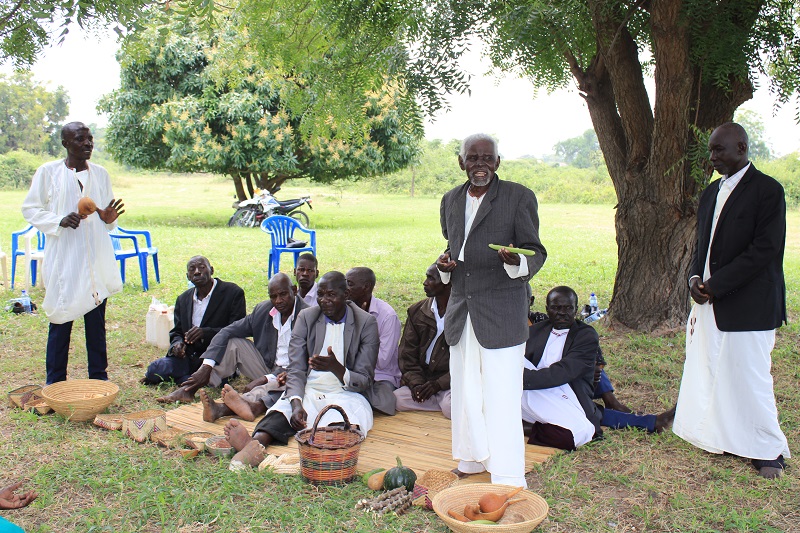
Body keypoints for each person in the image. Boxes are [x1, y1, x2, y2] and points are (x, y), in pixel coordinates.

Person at [674, 122, 789, 479]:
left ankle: (767, 450)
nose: (712, 158)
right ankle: (721, 437)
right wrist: (695, 277)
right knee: (711, 370)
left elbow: (766, 250)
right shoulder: (710, 193)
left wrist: (716, 284)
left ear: (741, 147)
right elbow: (701, 246)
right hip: (709, 300)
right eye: (710, 151)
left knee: (750, 376)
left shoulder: (768, 191)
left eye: (718, 150)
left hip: (750, 303)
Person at [437, 133, 547, 486]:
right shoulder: (450, 200)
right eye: (473, 158)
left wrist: (516, 261)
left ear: (497, 162)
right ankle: (470, 460)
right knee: (466, 390)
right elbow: (453, 248)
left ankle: (508, 473)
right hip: (461, 309)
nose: (480, 164)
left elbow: (536, 250)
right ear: (461, 162)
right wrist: (444, 265)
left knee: (501, 393)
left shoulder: (518, 197)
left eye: (487, 158)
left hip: (501, 310)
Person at [222, 271, 379, 467]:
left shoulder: (366, 323)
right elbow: (295, 369)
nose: (324, 301)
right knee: (281, 412)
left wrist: (336, 368)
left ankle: (319, 452)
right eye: (320, 294)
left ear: (346, 295)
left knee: (340, 424)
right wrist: (296, 403)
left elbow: (364, 379)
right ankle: (255, 445)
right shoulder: (307, 317)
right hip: (309, 389)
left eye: (331, 295)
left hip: (346, 393)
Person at [21, 122, 125, 384]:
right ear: (66, 143)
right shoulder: (48, 172)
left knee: (95, 323)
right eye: (80, 139)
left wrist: (109, 218)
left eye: (90, 139)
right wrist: (59, 220)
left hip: (95, 260)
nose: (88, 144)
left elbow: (107, 219)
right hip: (65, 258)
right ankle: (55, 382)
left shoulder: (100, 174)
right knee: (61, 317)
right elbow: (31, 209)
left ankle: (99, 380)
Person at [523, 286, 675, 451]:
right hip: (535, 390)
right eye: (556, 308)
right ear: (547, 309)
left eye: (568, 308)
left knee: (584, 424)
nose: (562, 313)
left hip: (569, 390)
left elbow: (564, 372)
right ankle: (651, 421)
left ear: (576, 309)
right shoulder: (535, 331)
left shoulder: (585, 334)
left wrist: (518, 379)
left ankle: (525, 427)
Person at [198, 272, 309, 421]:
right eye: (273, 296)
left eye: (283, 294)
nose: (278, 301)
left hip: (293, 374)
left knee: (271, 387)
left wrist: (264, 379)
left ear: (294, 290)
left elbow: (307, 361)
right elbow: (227, 331)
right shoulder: (263, 310)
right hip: (268, 365)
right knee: (234, 343)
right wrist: (206, 367)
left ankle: (226, 408)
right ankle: (200, 383)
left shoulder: (308, 316)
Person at [143, 256, 246, 389]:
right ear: (188, 276)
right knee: (154, 370)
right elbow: (177, 331)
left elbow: (237, 330)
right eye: (192, 269)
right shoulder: (183, 299)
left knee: (214, 378)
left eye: (202, 267)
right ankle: (190, 377)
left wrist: (205, 333)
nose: (197, 272)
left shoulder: (232, 293)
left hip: (218, 357)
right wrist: (177, 344)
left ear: (212, 270)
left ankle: (191, 378)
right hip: (191, 357)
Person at [393, 263, 452, 418]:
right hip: (424, 379)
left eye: (431, 278)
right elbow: (407, 354)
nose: (425, 283)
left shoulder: (463, 314)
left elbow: (468, 361)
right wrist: (417, 384)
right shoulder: (417, 311)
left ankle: (438, 400)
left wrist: (439, 385)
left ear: (448, 282)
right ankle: (432, 399)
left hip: (449, 382)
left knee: (450, 406)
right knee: (397, 399)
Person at [346, 267, 401, 415]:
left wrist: (364, 326)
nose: (345, 288)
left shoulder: (388, 316)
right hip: (353, 372)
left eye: (350, 284)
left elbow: (383, 360)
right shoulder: (345, 310)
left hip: (380, 376)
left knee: (383, 399)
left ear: (366, 287)